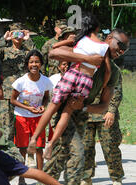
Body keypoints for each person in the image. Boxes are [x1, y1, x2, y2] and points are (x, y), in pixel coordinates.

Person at [28, 28, 129, 185]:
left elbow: (103, 106)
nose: (122, 50)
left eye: (126, 48)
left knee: (59, 156)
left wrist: (84, 105)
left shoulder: (113, 72)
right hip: (64, 111)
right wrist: (87, 59)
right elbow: (54, 53)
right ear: (109, 39)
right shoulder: (89, 48)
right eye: (120, 45)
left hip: (80, 115)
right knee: (77, 156)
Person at [28, 13, 112, 161]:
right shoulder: (104, 46)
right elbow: (108, 71)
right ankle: (51, 144)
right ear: (97, 28)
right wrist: (104, 86)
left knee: (52, 107)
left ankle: (34, 138)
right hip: (86, 80)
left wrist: (69, 40)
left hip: (72, 73)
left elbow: (54, 46)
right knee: (67, 112)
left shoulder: (80, 39)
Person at [10, 50, 52, 185]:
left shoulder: (45, 81)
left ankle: (41, 179)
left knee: (39, 147)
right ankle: (22, 179)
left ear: (41, 64)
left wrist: (42, 106)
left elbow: (46, 97)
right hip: (22, 117)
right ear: (27, 64)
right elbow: (13, 100)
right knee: (22, 149)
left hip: (38, 118)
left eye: (37, 62)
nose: (34, 64)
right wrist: (28, 109)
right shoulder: (21, 82)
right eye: (31, 62)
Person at [0, 22, 35, 142]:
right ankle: (6, 149)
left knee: (25, 124)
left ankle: (25, 150)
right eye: (15, 34)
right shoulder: (4, 50)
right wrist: (3, 39)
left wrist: (28, 40)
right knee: (6, 125)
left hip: (25, 92)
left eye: (20, 33)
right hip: (8, 92)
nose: (18, 37)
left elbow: (38, 57)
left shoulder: (27, 51)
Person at [81, 71, 124, 185]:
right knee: (85, 148)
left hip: (105, 115)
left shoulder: (111, 69)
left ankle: (116, 179)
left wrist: (111, 110)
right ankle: (86, 179)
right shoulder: (84, 67)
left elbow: (117, 91)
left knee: (110, 147)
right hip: (85, 114)